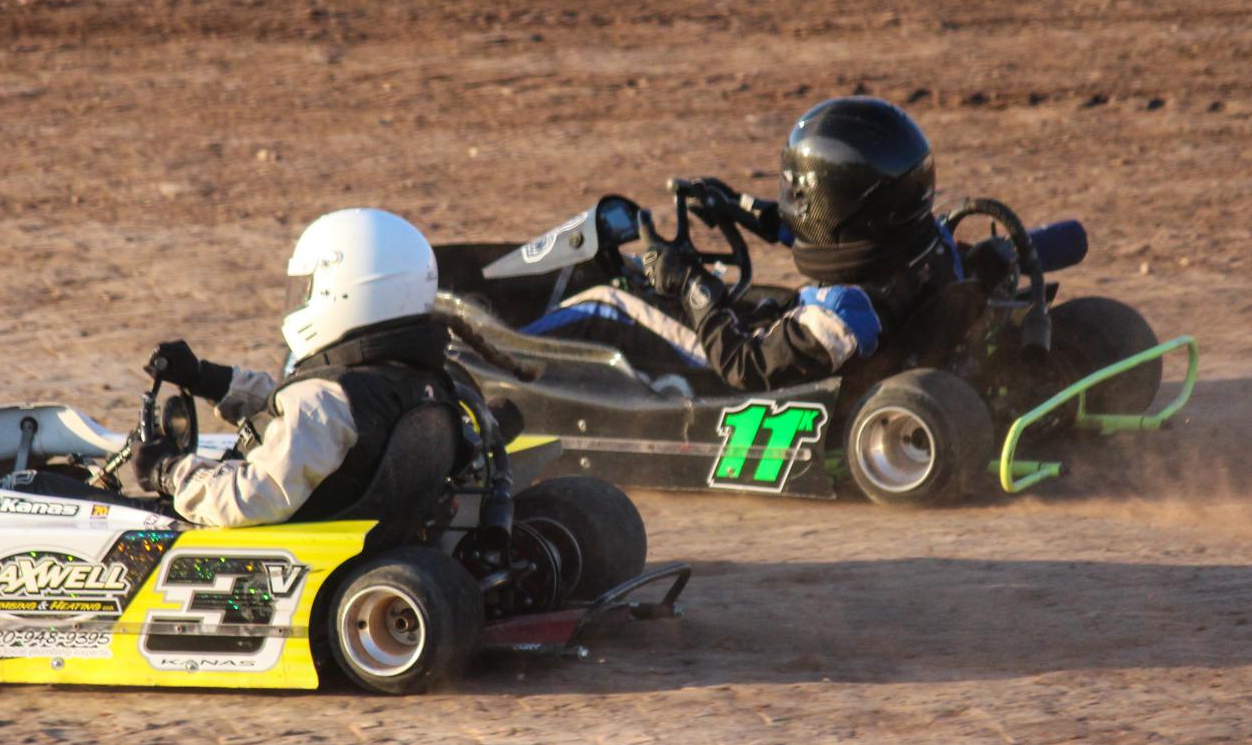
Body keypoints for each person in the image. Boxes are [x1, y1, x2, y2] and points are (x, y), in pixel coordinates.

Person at [526, 96, 964, 391]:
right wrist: (741, 207)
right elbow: (823, 235)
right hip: (787, 337)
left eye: (805, 194)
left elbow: (743, 367)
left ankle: (490, 364)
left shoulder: (840, 316)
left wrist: (689, 285)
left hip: (736, 366)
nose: (796, 201)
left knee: (606, 304)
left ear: (849, 203)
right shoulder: (924, 245)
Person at [127, 207, 456, 527]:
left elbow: (252, 497)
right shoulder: (420, 381)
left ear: (343, 292)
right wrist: (208, 380)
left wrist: (168, 471)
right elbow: (303, 414)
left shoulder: (327, 399)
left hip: (291, 555)